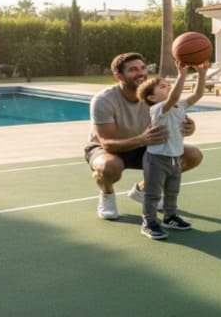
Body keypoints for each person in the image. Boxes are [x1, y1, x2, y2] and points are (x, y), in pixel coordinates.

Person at [85, 52, 203, 220]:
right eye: (133, 70)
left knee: (192, 155)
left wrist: (189, 127)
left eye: (142, 68)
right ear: (119, 75)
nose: (140, 73)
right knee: (108, 167)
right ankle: (107, 195)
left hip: (145, 144)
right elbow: (107, 143)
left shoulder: (155, 96)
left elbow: (176, 114)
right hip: (108, 148)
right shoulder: (104, 100)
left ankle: (142, 190)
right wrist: (142, 139)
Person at [135, 60, 207, 240]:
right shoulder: (158, 109)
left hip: (175, 157)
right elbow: (174, 97)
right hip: (157, 158)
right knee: (152, 194)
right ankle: (149, 222)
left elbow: (198, 94)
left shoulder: (179, 105)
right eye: (162, 87)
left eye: (168, 85)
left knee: (172, 191)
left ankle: (170, 217)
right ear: (151, 97)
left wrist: (202, 73)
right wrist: (182, 75)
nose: (167, 88)